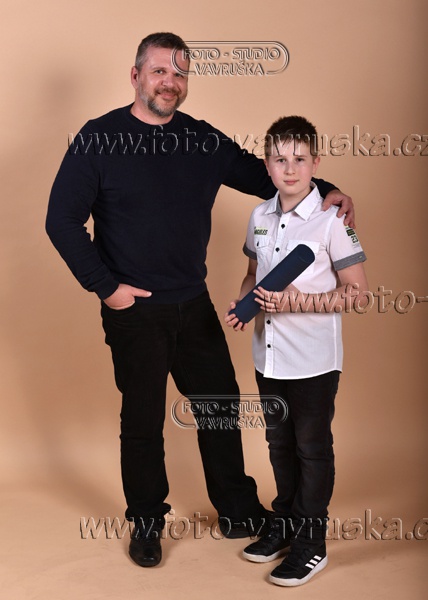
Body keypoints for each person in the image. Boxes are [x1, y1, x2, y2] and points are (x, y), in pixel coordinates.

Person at [46, 33, 355, 568]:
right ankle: (147, 522)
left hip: (193, 303)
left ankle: (237, 510)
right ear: (136, 76)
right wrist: (107, 288)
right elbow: (61, 221)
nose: (170, 82)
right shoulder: (99, 139)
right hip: (135, 310)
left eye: (180, 73)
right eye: (159, 71)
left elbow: (266, 174)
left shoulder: (200, 140)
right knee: (142, 421)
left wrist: (326, 188)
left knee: (220, 409)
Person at [225, 115, 368, 586]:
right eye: (280, 159)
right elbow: (253, 274)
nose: (290, 169)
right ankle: (284, 525)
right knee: (279, 445)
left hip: (313, 361)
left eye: (300, 159)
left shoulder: (333, 221)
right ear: (267, 165)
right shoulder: (259, 217)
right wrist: (243, 304)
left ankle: (311, 544)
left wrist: (295, 302)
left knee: (311, 449)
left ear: (316, 164)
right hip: (268, 357)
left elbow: (358, 294)